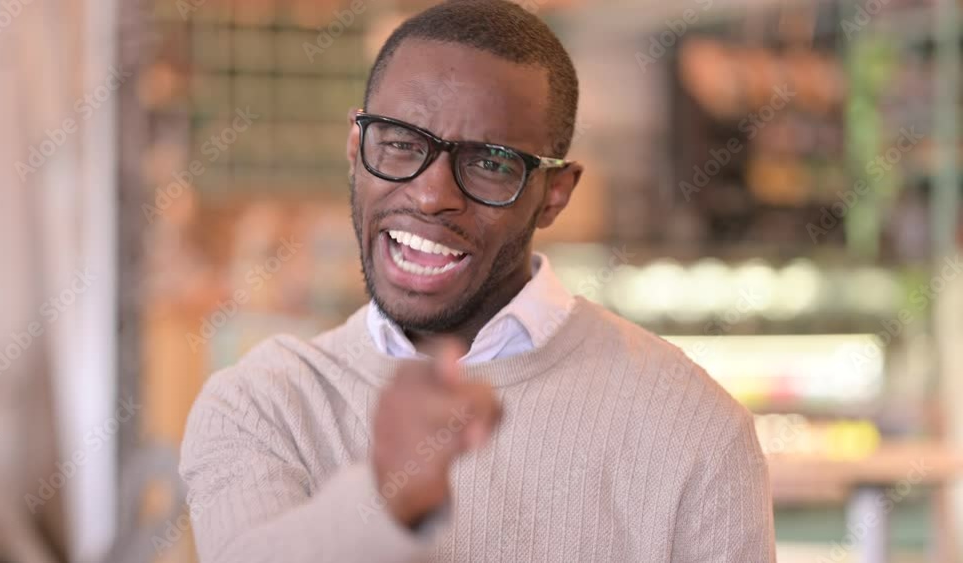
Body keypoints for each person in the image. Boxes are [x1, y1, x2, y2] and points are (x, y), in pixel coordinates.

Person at [179, 1, 776, 561]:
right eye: (400, 143)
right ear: (356, 147)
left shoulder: (693, 427)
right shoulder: (264, 405)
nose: (431, 195)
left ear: (555, 194)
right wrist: (388, 498)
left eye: (490, 162)